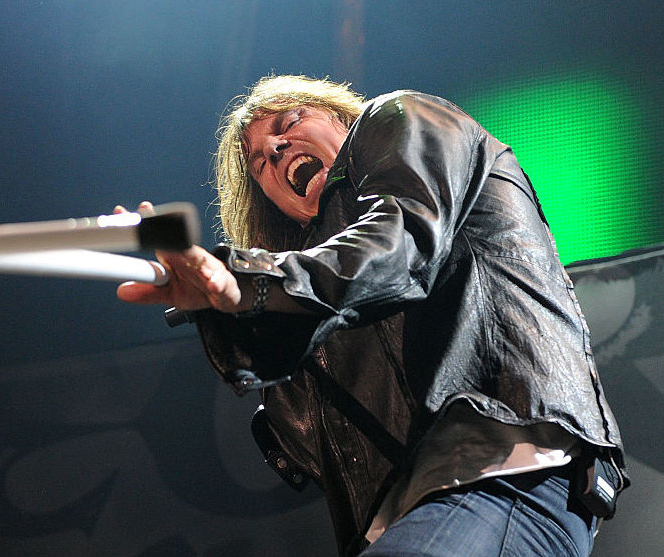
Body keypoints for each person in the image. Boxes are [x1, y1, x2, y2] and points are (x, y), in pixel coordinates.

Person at [116, 75, 627, 556]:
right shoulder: (316, 284)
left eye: (289, 122)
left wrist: (254, 280)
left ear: (339, 120)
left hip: (508, 465)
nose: (273, 150)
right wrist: (228, 301)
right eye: (258, 165)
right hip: (410, 514)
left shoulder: (401, 120)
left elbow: (400, 241)